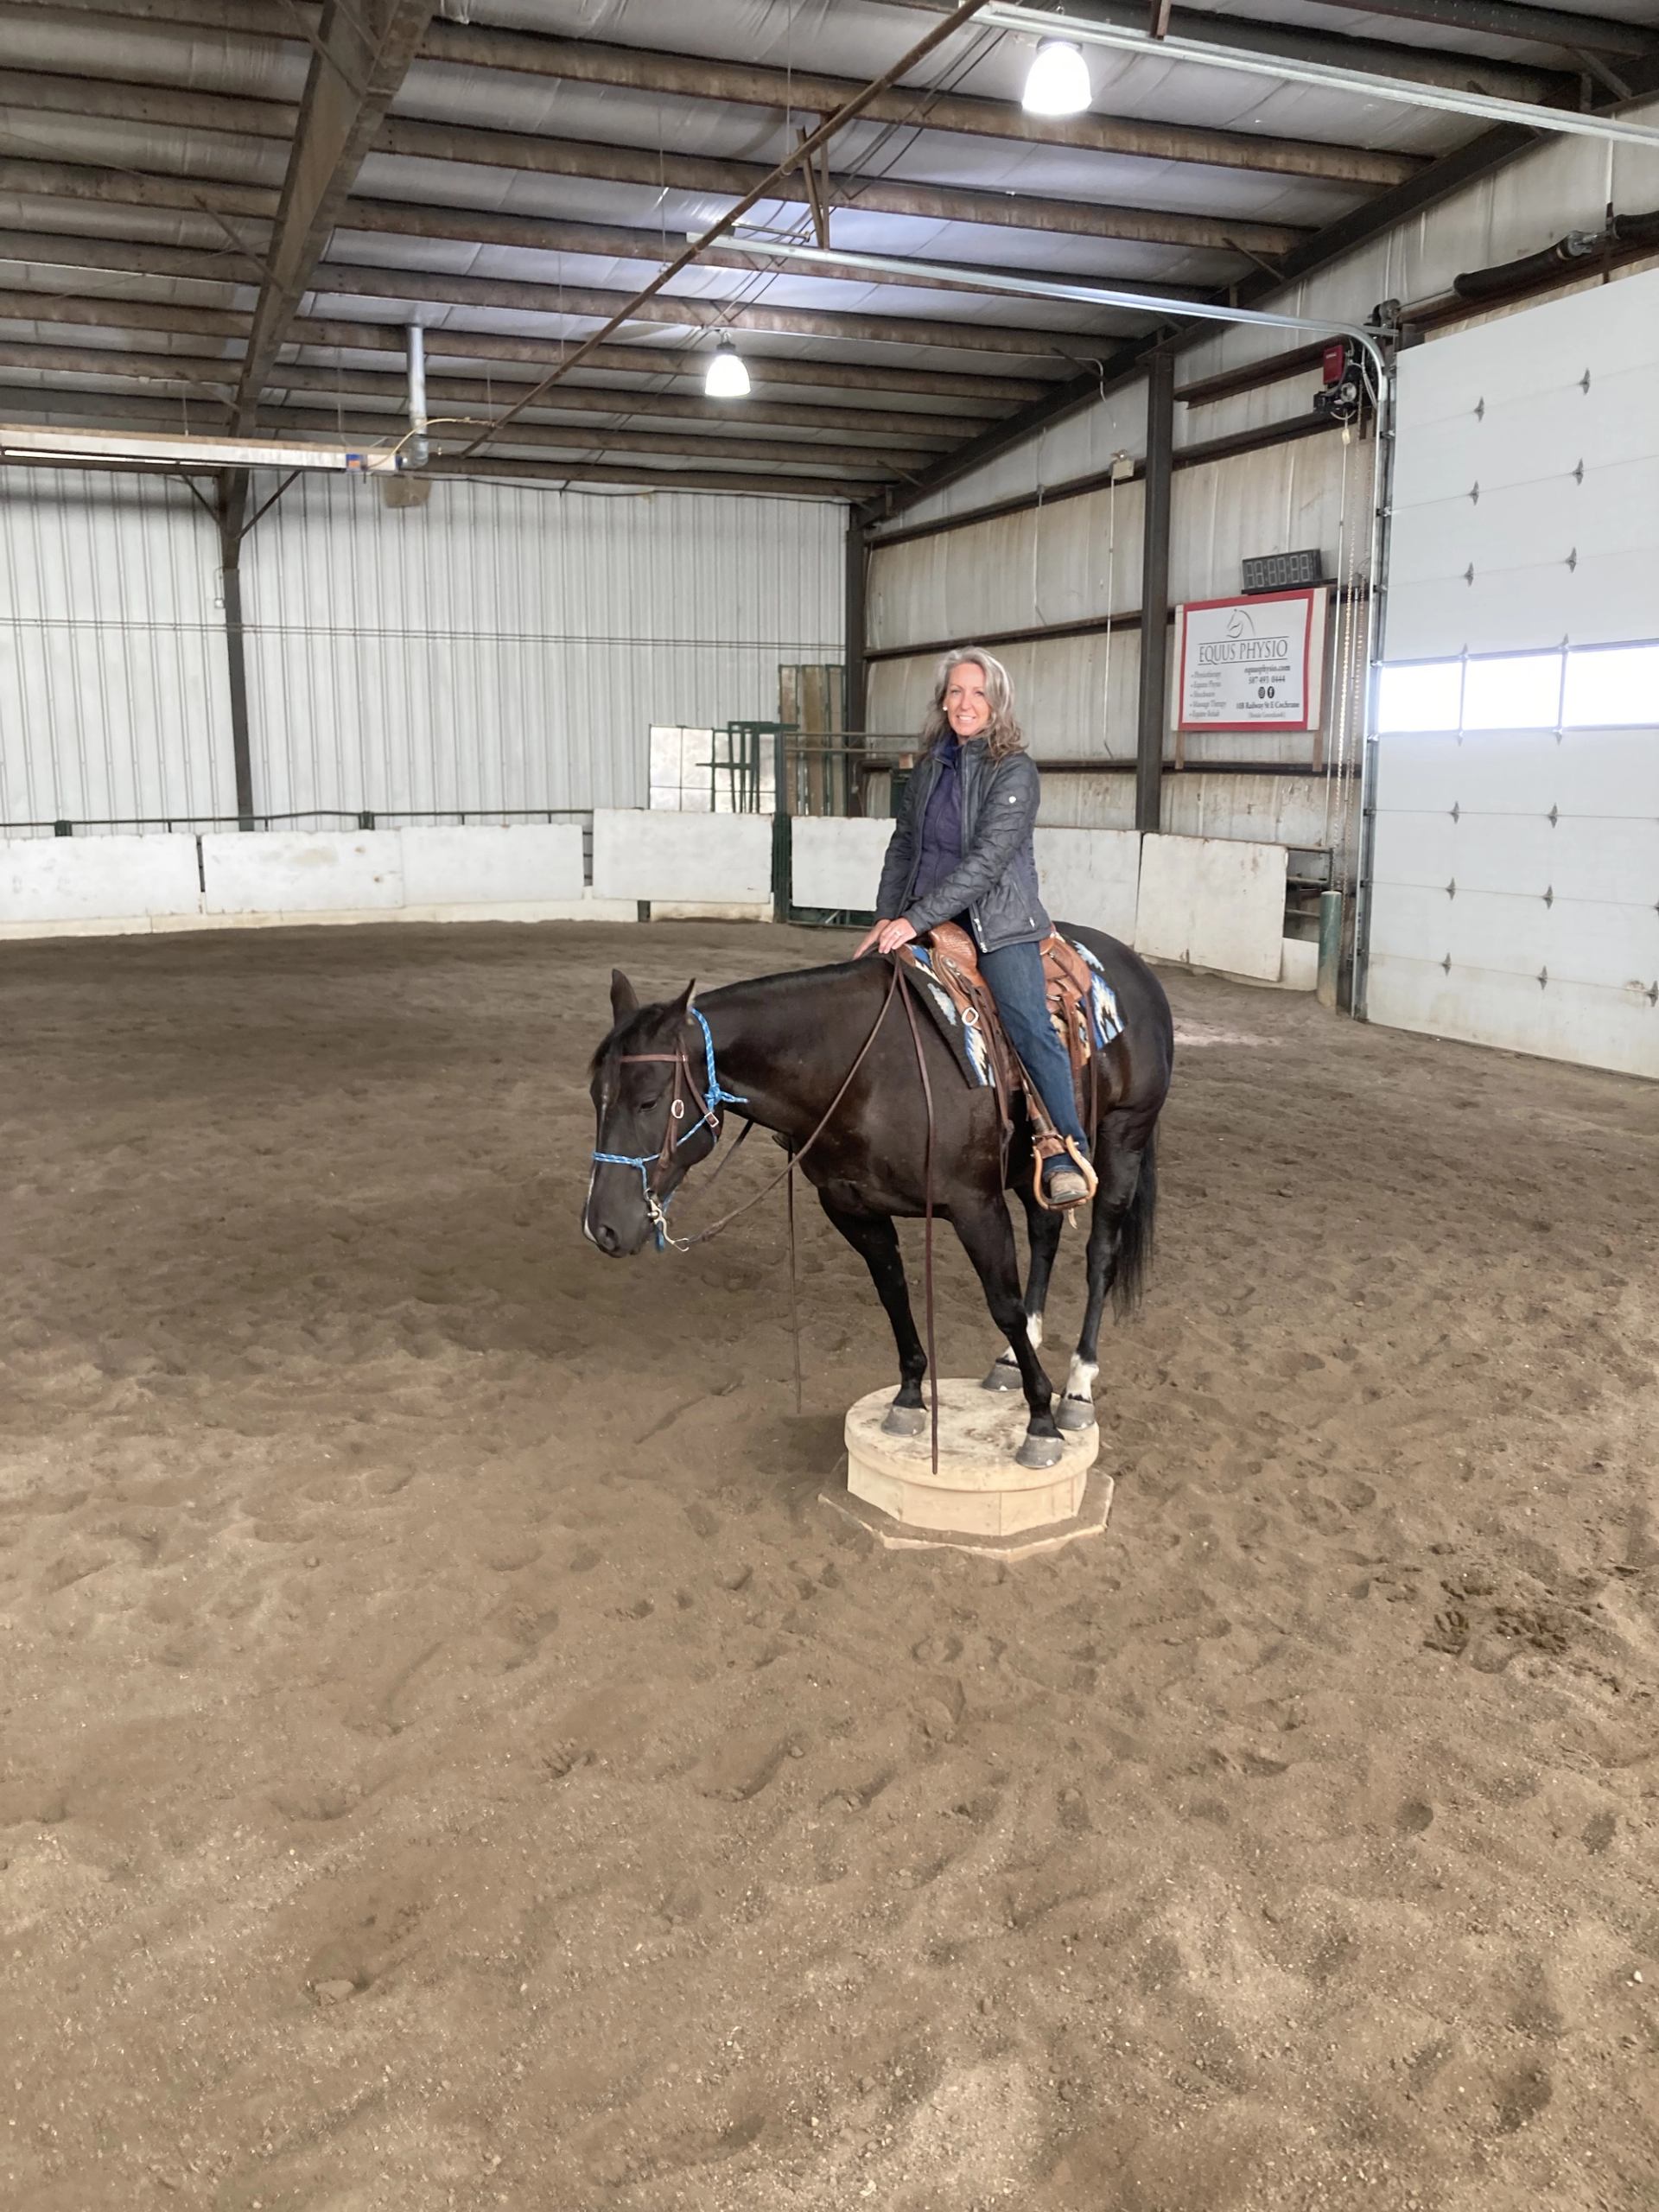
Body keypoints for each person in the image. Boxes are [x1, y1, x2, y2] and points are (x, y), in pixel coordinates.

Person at [855, 647, 1093, 1207]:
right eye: (958, 691)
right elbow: (904, 847)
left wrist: (915, 917)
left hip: (998, 922)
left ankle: (1065, 1147)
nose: (966, 703)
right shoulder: (930, 766)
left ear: (997, 703)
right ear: (943, 699)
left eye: (979, 692)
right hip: (920, 910)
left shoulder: (1014, 770)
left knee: (1027, 1021)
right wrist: (889, 915)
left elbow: (987, 862)